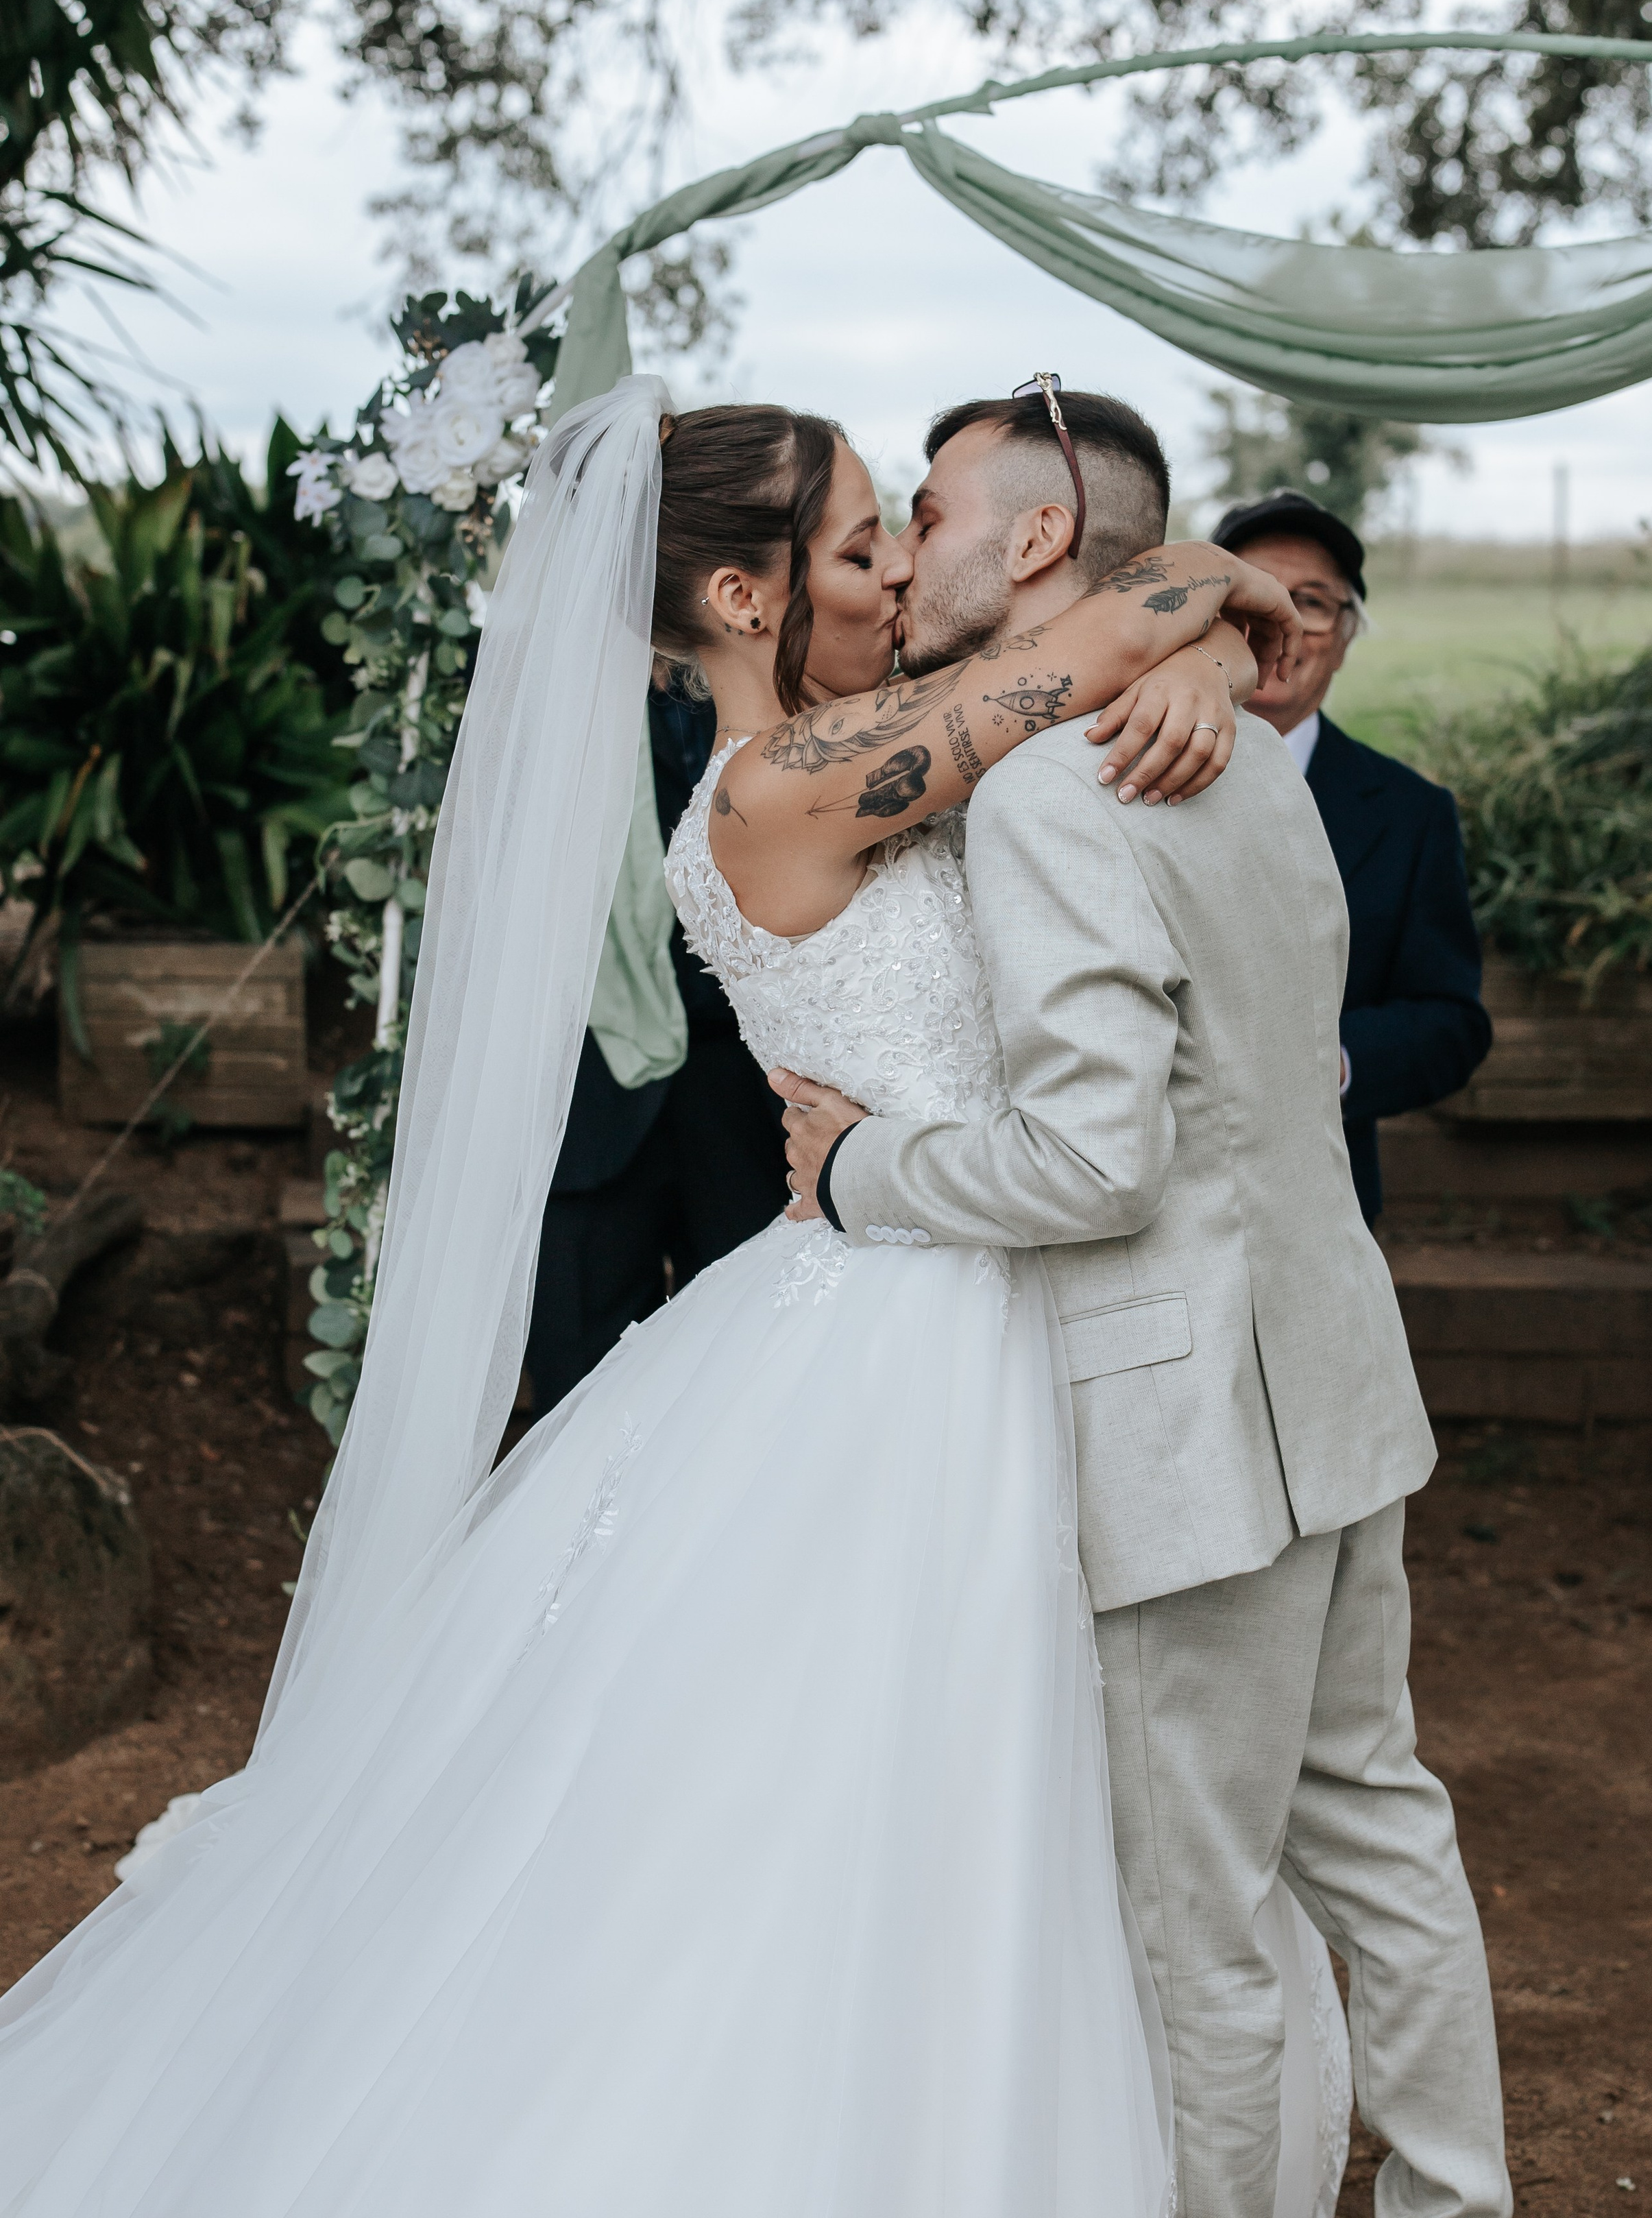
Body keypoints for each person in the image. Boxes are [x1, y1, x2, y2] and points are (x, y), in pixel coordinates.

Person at [0, 378, 1335, 2218]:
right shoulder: (781, 792)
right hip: (906, 1322)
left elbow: (1104, 633)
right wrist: (1188, 613)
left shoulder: (880, 731)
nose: (889, 570)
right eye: (860, 543)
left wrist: (1195, 654)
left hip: (985, 1272)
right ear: (739, 597)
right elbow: (1102, 618)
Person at [779, 388, 1514, 2218]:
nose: (911, 547)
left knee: (1198, 1934)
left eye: (934, 510)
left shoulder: (1054, 784)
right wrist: (1190, 609)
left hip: (1194, 1435)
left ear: (1033, 540)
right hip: (1335, 1378)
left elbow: (1092, 1163)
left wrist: (861, 1169)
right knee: (1384, 1840)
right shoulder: (1245, 746)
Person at [1208, 489, 1492, 1224]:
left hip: (1317, 1203)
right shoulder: (1119, 767)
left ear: (1347, 634)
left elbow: (1450, 1022)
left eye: (1312, 601)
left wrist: (1325, 1061)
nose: (1280, 623)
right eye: (1254, 594)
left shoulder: (1409, 815)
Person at [524, 670, 792, 1419]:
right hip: (588, 1089)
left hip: (747, 1086)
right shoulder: (544, 676)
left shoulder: (774, 666)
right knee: (580, 1405)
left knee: (753, 1388)